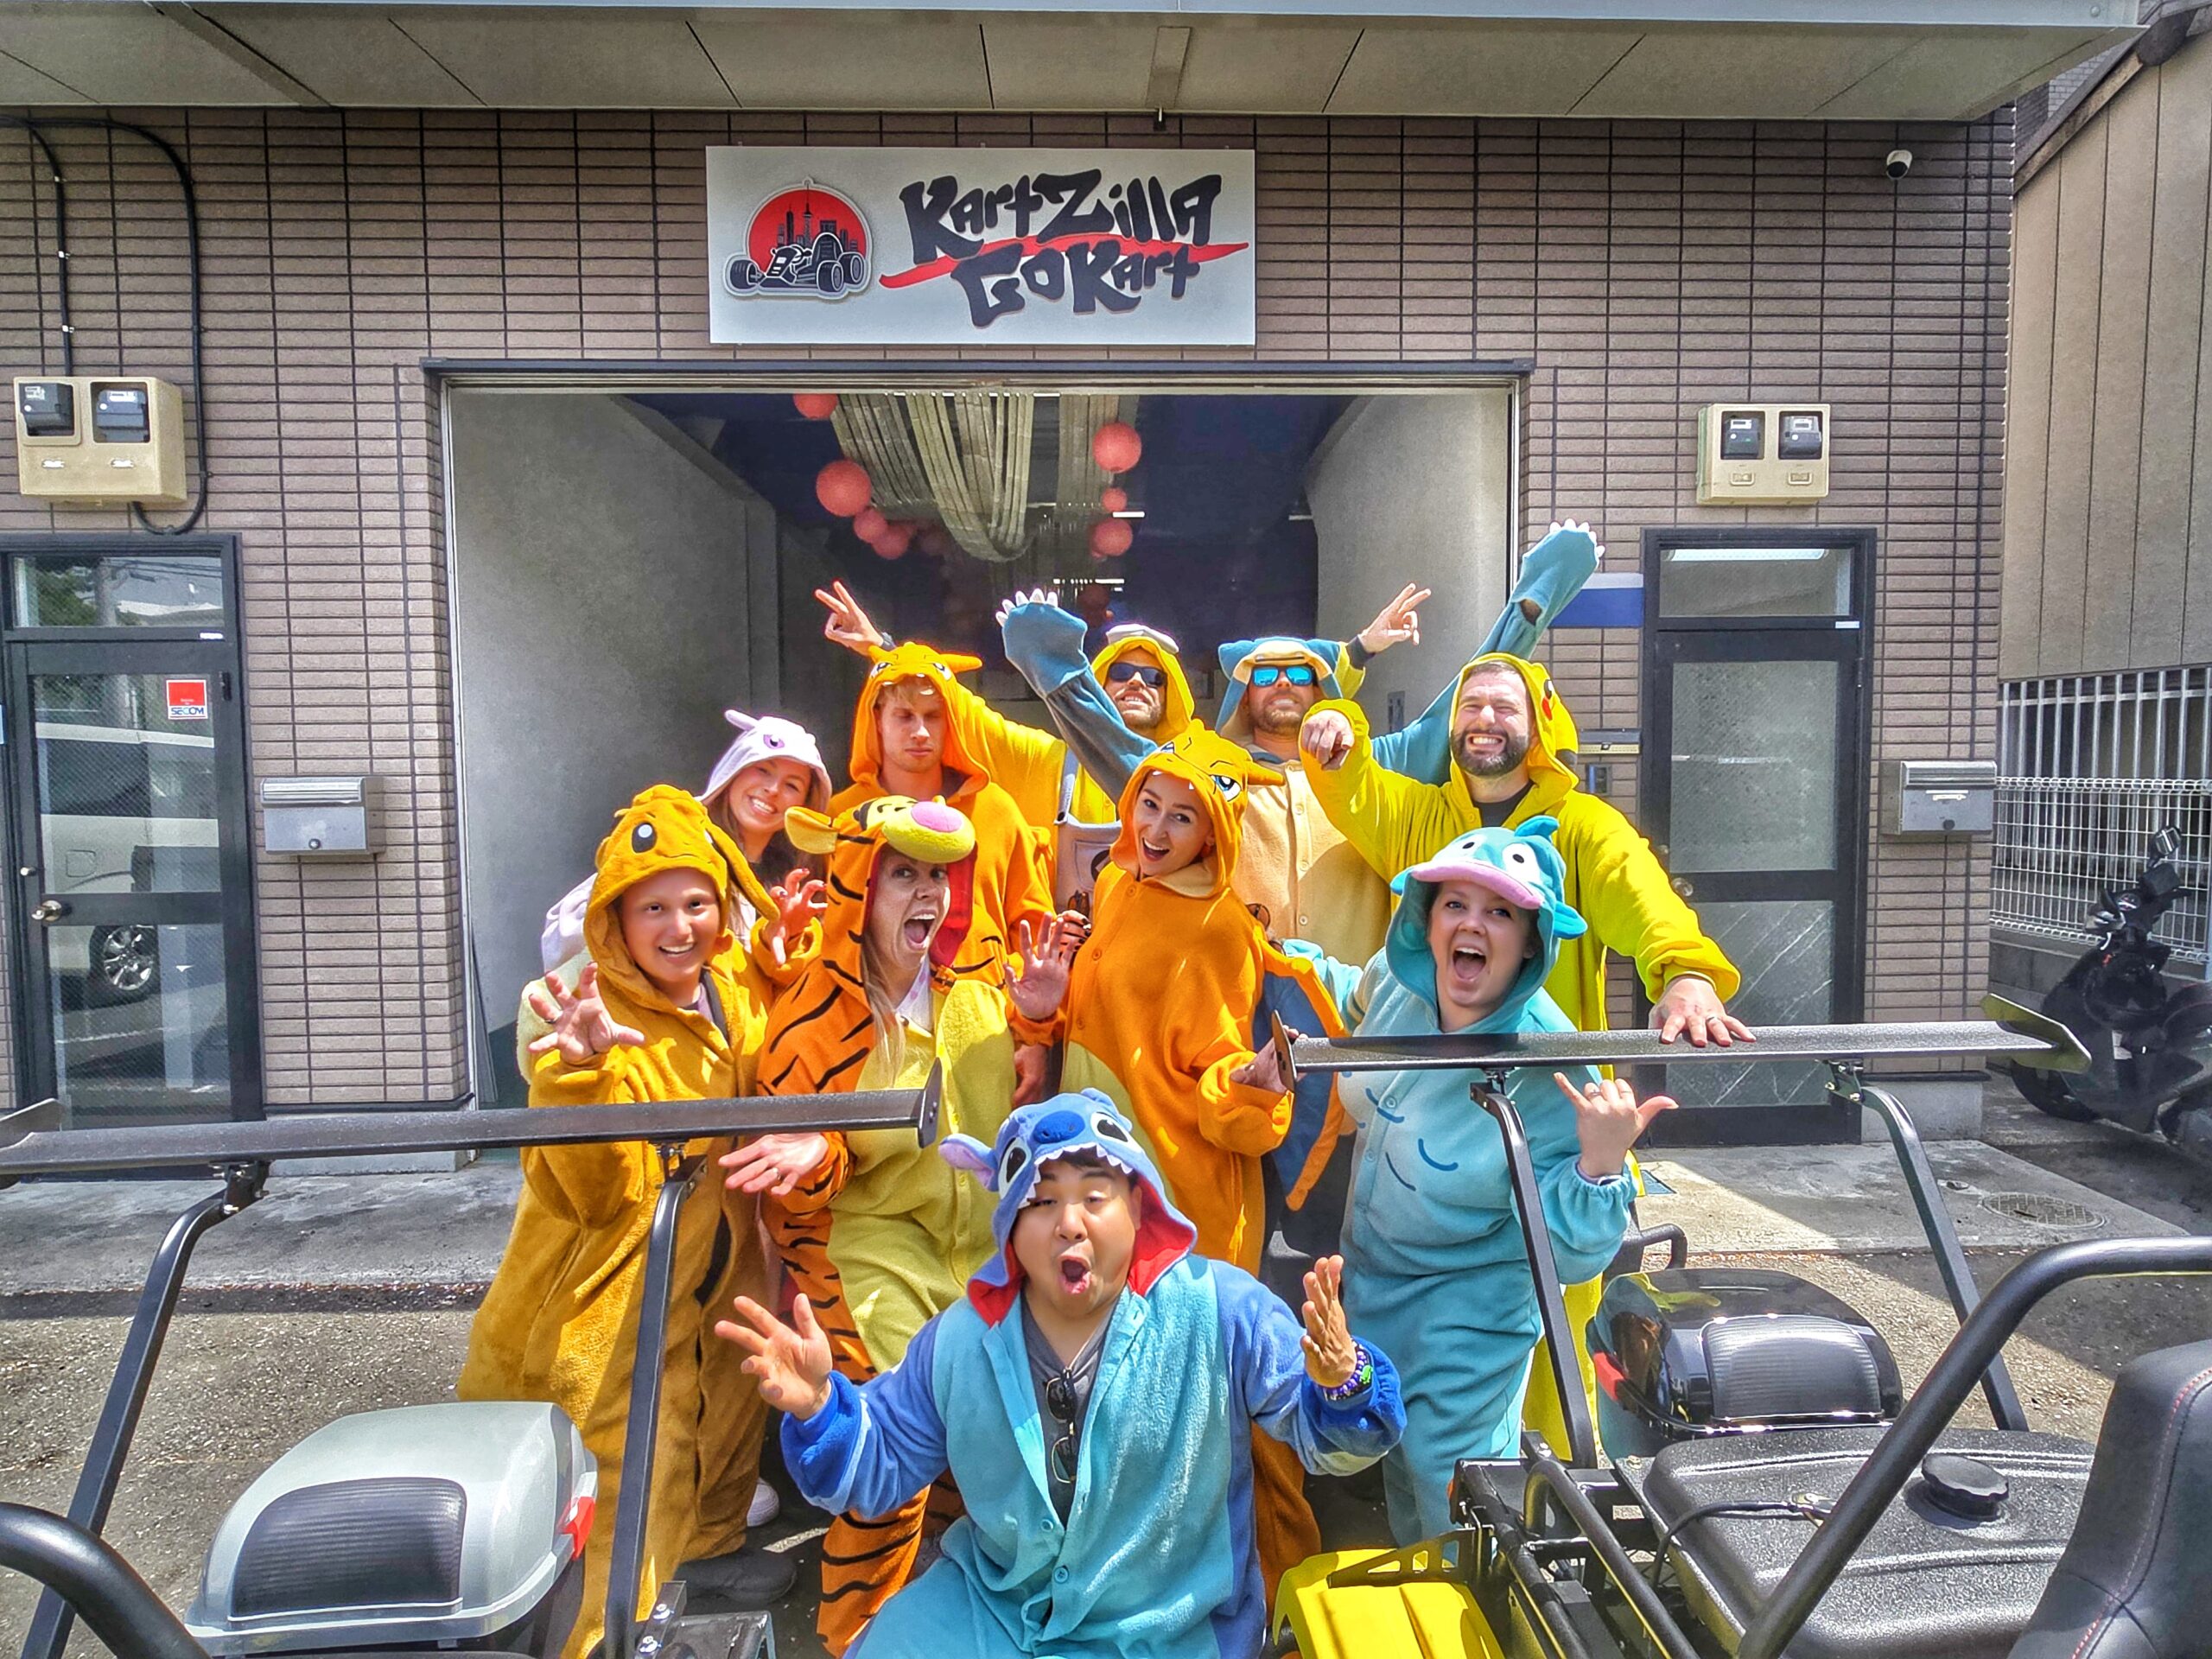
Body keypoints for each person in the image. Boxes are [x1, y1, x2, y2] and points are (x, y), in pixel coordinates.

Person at [716, 1092, 1408, 1659]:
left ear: (1140, 1210)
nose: (1069, 1223)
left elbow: (1330, 1444)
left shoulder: (1220, 1309)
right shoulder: (963, 1338)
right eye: (1041, 1202)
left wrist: (1341, 1383)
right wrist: (816, 1410)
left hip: (1169, 1631)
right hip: (995, 1611)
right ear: (1011, 1230)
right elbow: (878, 1464)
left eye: (1096, 1196)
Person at [1002, 723, 1345, 1597]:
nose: (1155, 828)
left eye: (1180, 816)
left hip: (1181, 1203)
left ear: (1213, 835)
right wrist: (1040, 1012)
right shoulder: (1117, 887)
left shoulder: (1219, 925)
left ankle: (1278, 1589)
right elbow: (1086, 1027)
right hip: (1098, 1194)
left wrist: (1259, 1083)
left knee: (1221, 1408)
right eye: (1148, 804)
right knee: (1125, 1412)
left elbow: (1214, 1080)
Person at [458, 787, 791, 1658]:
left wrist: (789, 967)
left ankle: (706, 1553)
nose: (679, 926)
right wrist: (574, 1077)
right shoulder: (588, 1015)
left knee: (721, 1417)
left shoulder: (730, 992)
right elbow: (597, 1190)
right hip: (612, 1287)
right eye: (653, 908)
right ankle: (596, 1635)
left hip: (714, 1262)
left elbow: (765, 1059)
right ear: (613, 918)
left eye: (696, 903)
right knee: (619, 1462)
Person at [718, 794, 1046, 1656]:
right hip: (862, 1259)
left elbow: (1024, 1094)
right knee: (885, 1467)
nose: (926, 893)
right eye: (903, 874)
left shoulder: (972, 991)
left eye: (936, 874)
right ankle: (856, 1634)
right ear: (862, 885)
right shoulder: (810, 1016)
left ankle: (961, 1614)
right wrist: (817, 1147)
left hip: (972, 1256)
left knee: (986, 1442)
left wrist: (1043, 1017)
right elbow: (793, 1186)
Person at [1284, 823, 1674, 1542]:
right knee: (1386, 1459)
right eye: (1454, 904)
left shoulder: (1553, 1066)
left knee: (1451, 1494)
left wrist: (1600, 1163)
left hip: (1470, 1317)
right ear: (1426, 922)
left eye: (1499, 912)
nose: (1471, 924)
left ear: (1532, 941)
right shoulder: (1402, 987)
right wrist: (1279, 960)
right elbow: (1349, 997)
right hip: (1371, 1285)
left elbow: (1575, 1256)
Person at [817, 578, 1197, 828]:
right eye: (1121, 672)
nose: (1135, 681)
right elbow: (954, 703)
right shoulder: (1046, 762)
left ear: (1172, 693)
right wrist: (881, 649)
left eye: (1153, 677)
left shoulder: (1199, 774)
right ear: (1097, 681)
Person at [538, 709, 833, 982]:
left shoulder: (793, 879)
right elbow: (565, 939)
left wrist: (787, 939)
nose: (772, 790)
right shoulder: (677, 838)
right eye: (762, 770)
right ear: (734, 769)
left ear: (805, 805)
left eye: (792, 785)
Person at [830, 639, 1056, 985]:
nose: (920, 732)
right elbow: (824, 934)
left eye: (932, 717)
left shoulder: (996, 809)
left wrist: (1025, 1026)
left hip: (983, 1024)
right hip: (871, 1026)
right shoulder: (844, 815)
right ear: (876, 719)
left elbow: (1037, 935)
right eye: (904, 716)